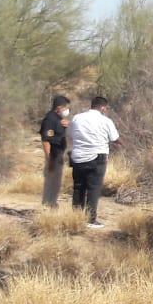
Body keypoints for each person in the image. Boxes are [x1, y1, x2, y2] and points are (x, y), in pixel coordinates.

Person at [67, 96, 120, 229]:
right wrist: (125, 145)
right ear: (103, 107)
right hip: (97, 157)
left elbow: (72, 135)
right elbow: (115, 138)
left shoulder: (77, 118)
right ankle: (90, 220)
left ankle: (76, 217)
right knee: (93, 189)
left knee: (78, 187)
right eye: (105, 108)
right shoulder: (106, 121)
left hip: (77, 157)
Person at [39, 95, 71, 207]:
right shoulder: (50, 119)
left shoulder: (58, 119)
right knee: (51, 183)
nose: (67, 111)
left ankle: (52, 204)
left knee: (56, 183)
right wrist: (50, 159)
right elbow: (46, 140)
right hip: (53, 156)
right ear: (59, 107)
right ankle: (48, 206)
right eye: (66, 108)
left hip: (58, 156)